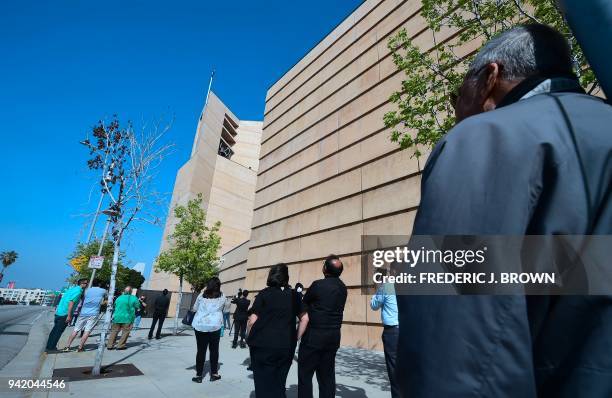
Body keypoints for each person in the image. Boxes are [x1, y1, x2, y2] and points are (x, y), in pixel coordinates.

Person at [396, 24, 612, 397]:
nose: (456, 108)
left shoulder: (484, 137)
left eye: (455, 94)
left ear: (489, 78)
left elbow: (456, 340)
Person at [297, 255, 347, 398]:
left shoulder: (318, 285)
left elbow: (304, 303)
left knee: (305, 375)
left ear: (325, 268)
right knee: (327, 376)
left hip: (314, 337)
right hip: (333, 337)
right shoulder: (343, 288)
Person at [247, 264, 300, 397]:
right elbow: (305, 319)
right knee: (279, 382)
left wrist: (249, 336)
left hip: (262, 344)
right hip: (286, 345)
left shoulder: (264, 294)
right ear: (286, 277)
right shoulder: (295, 295)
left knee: (262, 383)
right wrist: (295, 337)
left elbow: (252, 320)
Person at [370, 265, 400, 398]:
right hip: (409, 331)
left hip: (393, 332)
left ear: (392, 271)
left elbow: (374, 305)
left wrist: (379, 286)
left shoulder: (387, 287)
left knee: (394, 371)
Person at [191, 277, 225, 383]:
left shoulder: (201, 295)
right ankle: (214, 374)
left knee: (201, 350)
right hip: (215, 326)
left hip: (200, 325)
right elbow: (223, 307)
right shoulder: (222, 296)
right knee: (214, 350)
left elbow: (194, 308)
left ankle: (198, 375)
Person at [64, 279, 107, 352]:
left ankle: (67, 346)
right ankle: (80, 347)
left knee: (76, 330)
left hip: (83, 312)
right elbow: (106, 299)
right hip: (94, 313)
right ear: (99, 284)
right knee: (87, 331)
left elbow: (84, 299)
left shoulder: (86, 290)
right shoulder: (103, 291)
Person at [45, 279, 88, 352]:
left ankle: (49, 346)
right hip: (65, 313)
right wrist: (69, 315)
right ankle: (51, 348)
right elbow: (71, 303)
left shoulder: (72, 289)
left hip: (59, 312)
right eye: (86, 283)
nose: (87, 285)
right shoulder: (78, 291)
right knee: (58, 332)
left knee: (54, 331)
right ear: (82, 284)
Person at [107, 286, 140, 350]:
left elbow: (114, 305)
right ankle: (120, 345)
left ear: (124, 291)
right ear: (131, 291)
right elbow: (138, 306)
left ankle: (110, 345)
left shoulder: (119, 297)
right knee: (125, 332)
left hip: (117, 317)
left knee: (114, 331)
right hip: (128, 317)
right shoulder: (134, 298)